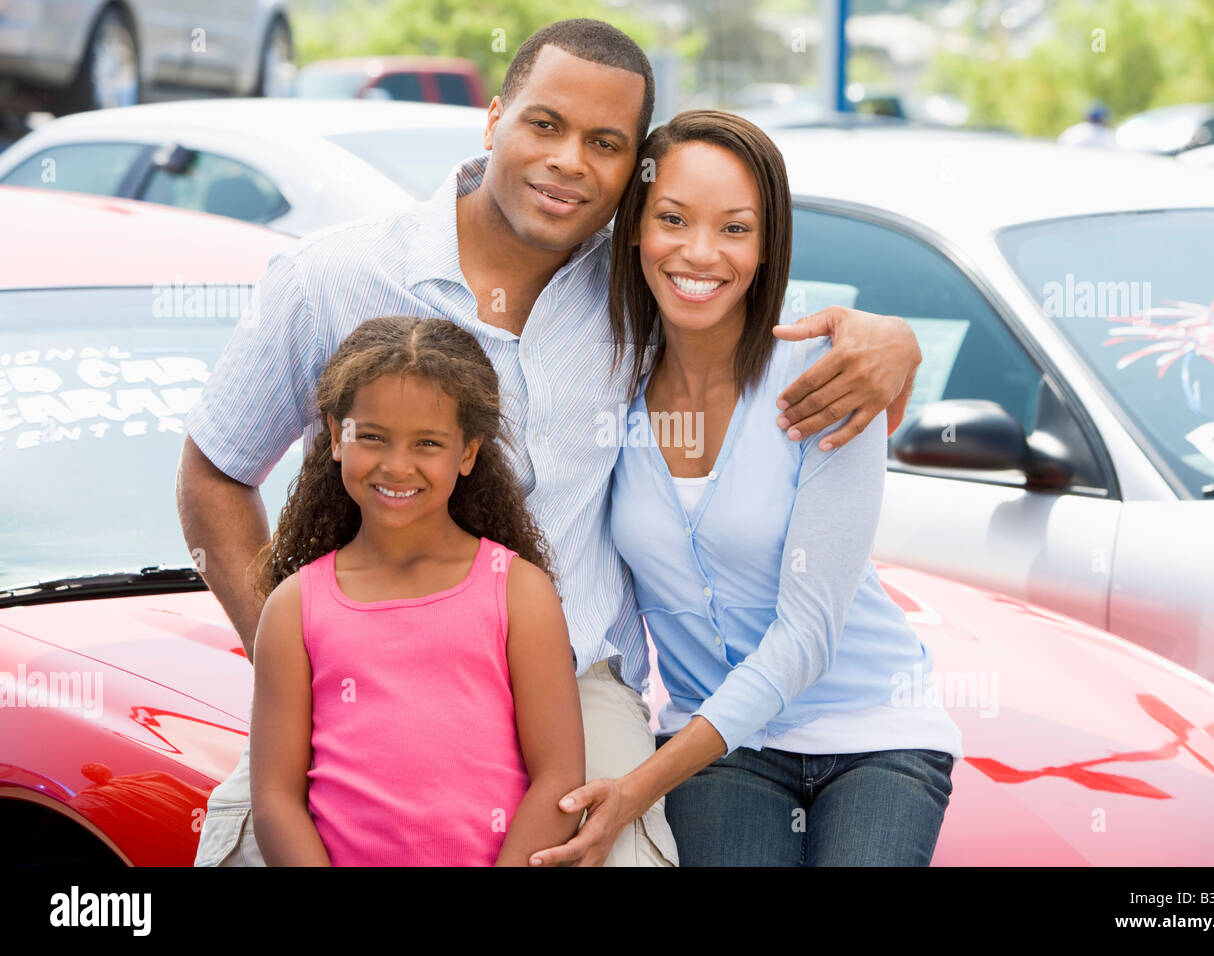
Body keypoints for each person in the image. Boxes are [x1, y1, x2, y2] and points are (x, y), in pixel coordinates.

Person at [180, 18, 923, 868]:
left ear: (633, 172)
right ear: (493, 119)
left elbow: (741, 296)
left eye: (604, 142)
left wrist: (892, 340)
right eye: (545, 124)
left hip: (577, 683)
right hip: (362, 673)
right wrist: (291, 658)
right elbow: (213, 473)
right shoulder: (332, 276)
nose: (570, 160)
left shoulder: (637, 286)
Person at [530, 111, 962, 867]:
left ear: (767, 250)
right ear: (635, 228)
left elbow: (807, 637)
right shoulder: (606, 390)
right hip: (721, 751)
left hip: (875, 732)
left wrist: (635, 789)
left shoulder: (831, 377)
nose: (700, 253)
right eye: (672, 219)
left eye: (735, 229)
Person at [248, 316, 582, 865]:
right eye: (372, 437)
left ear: (468, 452)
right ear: (336, 436)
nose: (396, 465)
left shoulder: (519, 593)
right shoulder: (295, 608)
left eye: (427, 443)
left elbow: (558, 780)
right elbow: (275, 802)